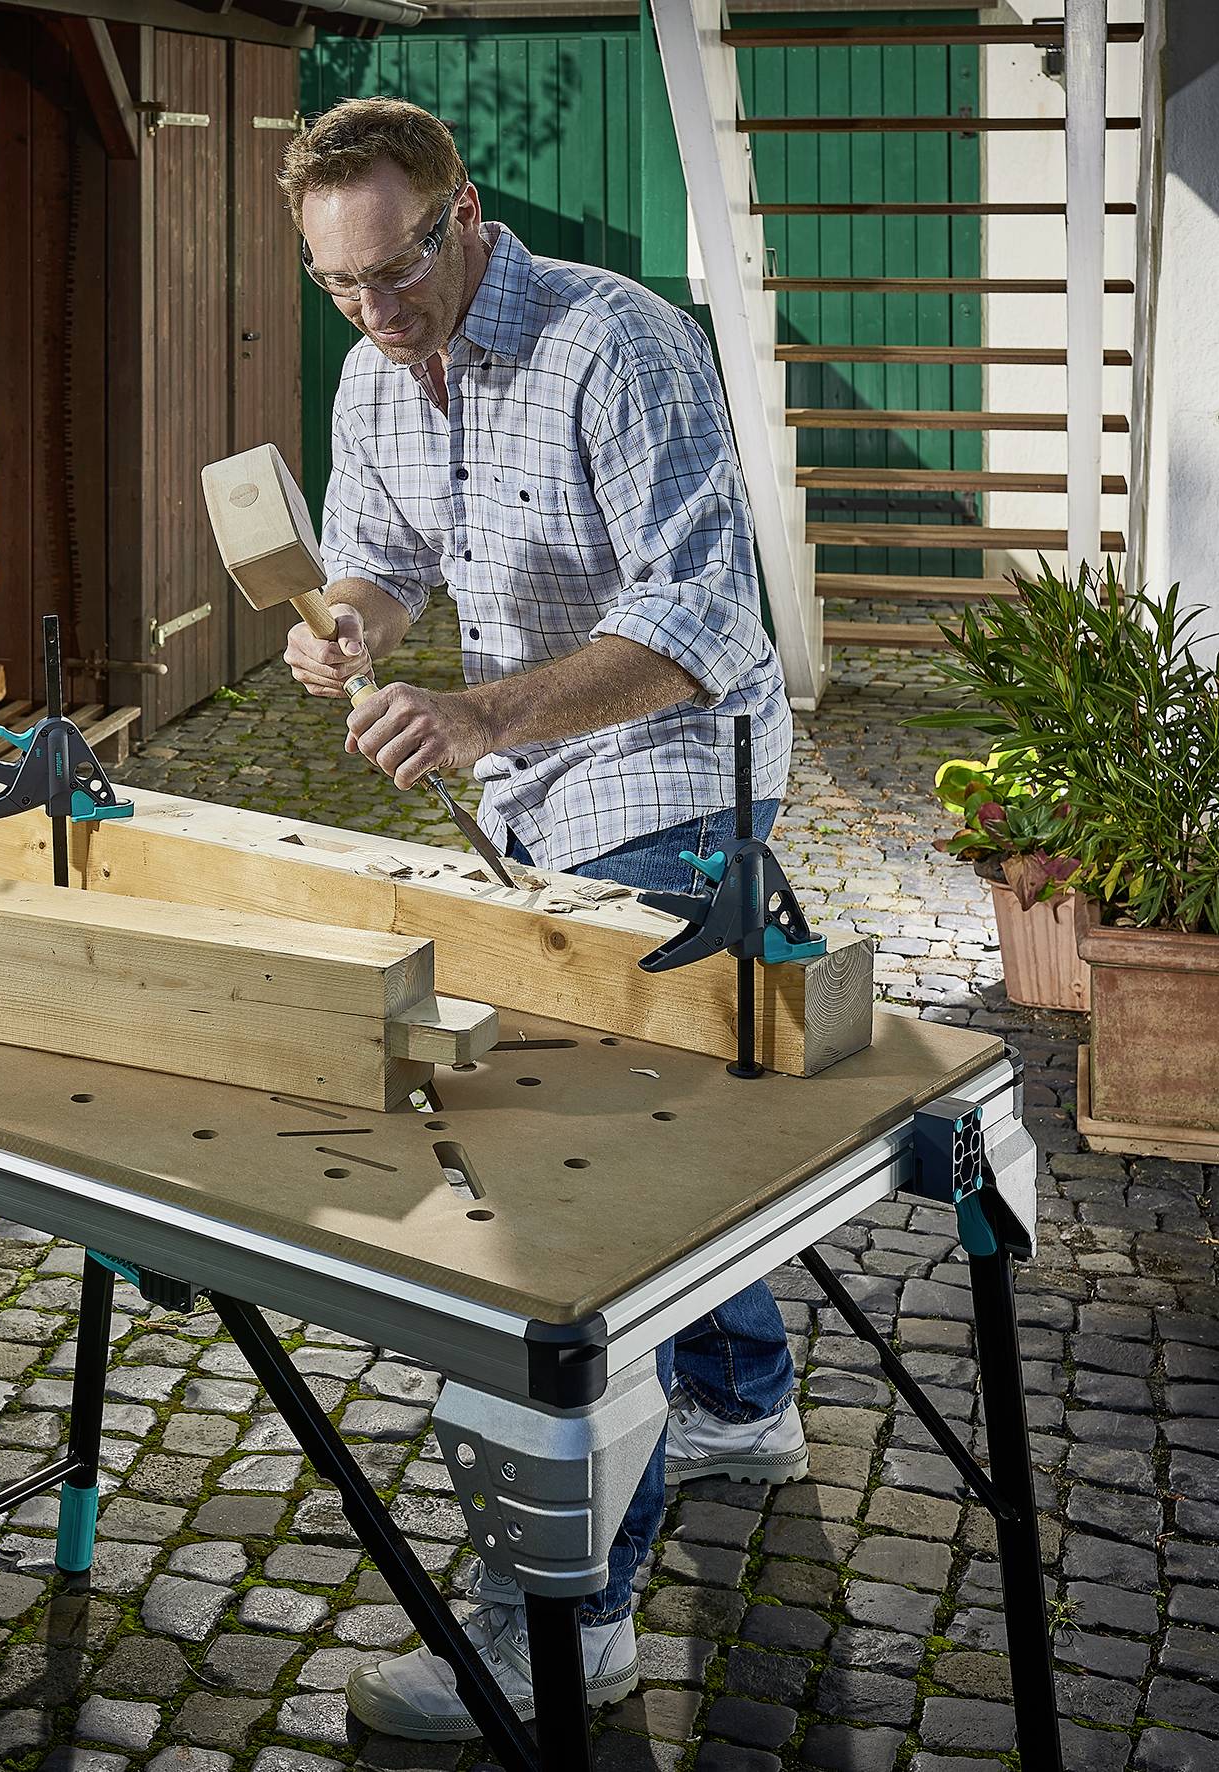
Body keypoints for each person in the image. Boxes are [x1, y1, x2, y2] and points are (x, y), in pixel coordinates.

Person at [274, 96, 810, 1742]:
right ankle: (741, 1399)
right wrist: (344, 627)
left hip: (667, 783)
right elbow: (377, 560)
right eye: (341, 288)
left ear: (463, 212)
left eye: (399, 268)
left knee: (578, 1201)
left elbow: (702, 619)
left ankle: (561, 1630)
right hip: (526, 799)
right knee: (680, 1142)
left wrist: (479, 717)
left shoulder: (613, 347)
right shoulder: (376, 372)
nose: (378, 311)